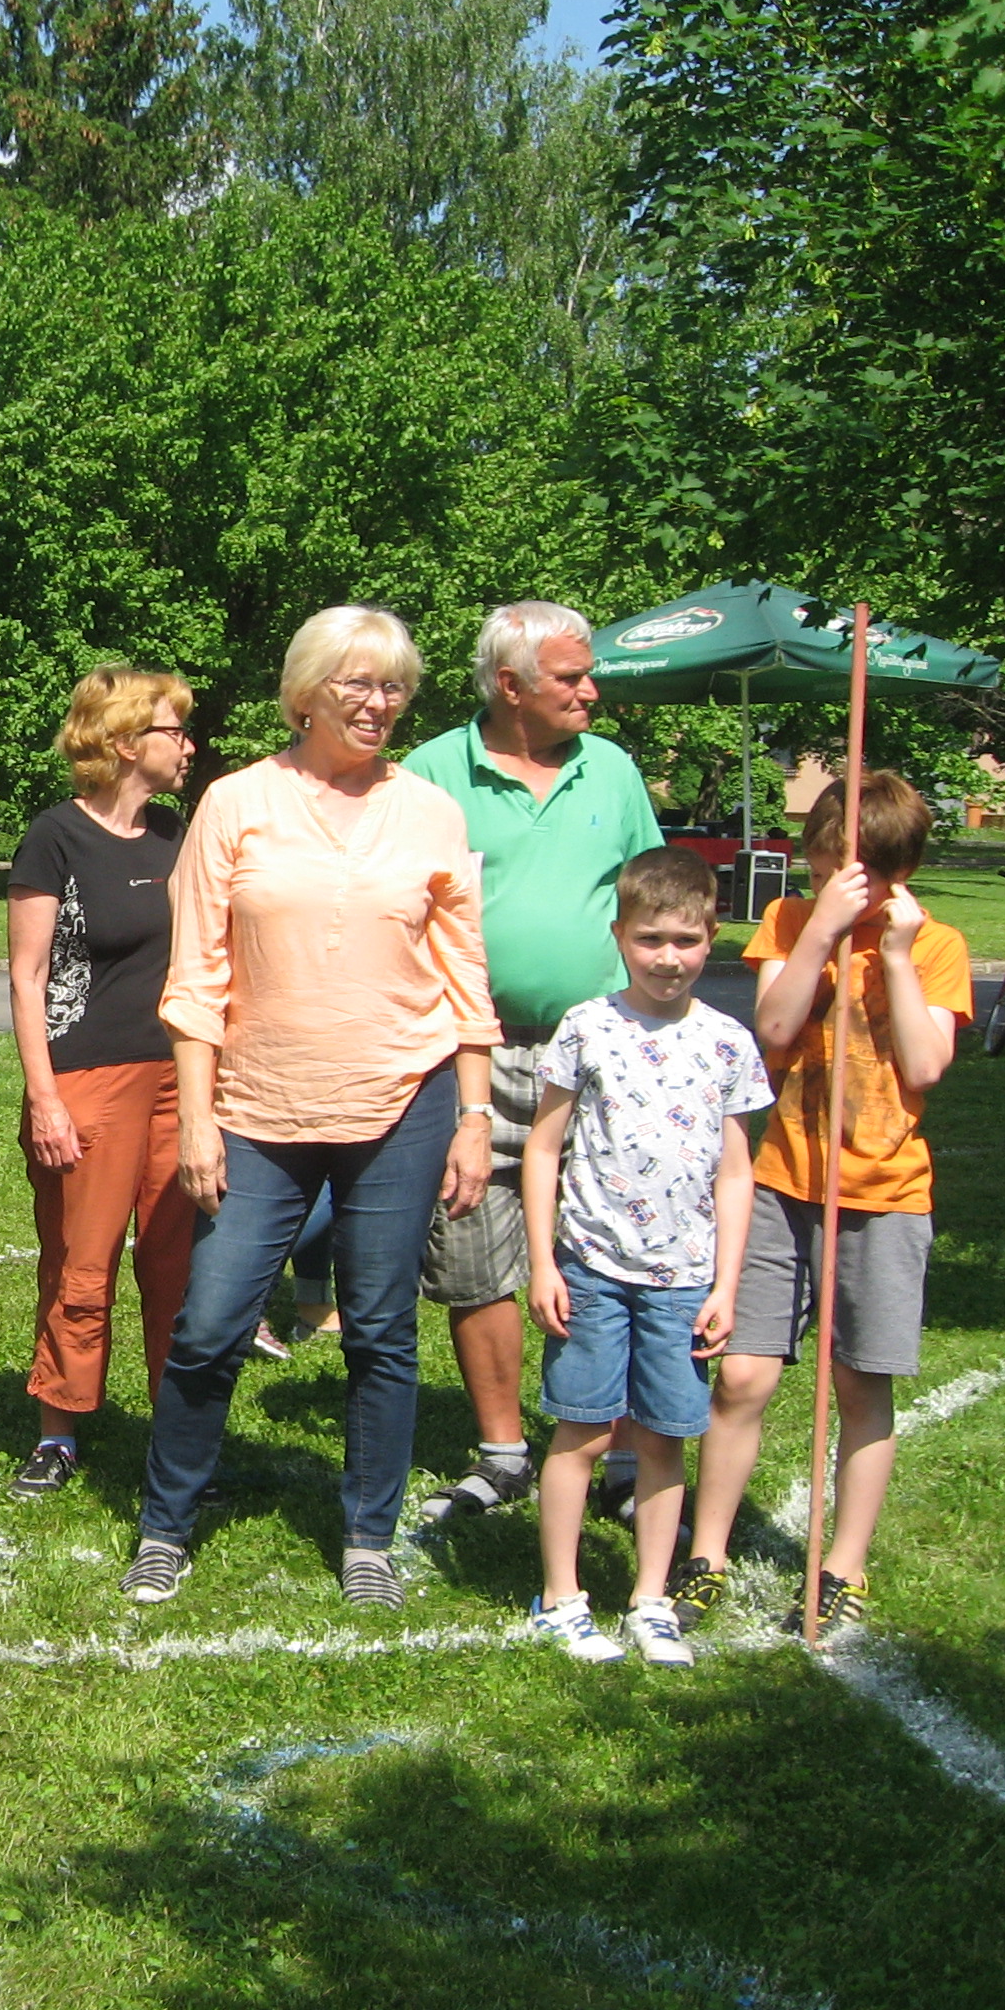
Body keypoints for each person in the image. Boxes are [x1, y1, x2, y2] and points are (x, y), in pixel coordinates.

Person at [127, 605, 496, 1612]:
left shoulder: (430, 813)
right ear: (304, 694)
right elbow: (195, 975)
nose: (379, 703)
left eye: (393, 686)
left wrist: (472, 1115)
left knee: (380, 1329)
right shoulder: (235, 803)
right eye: (357, 684)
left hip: (403, 1101)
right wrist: (196, 1118)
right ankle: (165, 1525)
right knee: (209, 1323)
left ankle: (368, 1536)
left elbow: (464, 971)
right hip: (255, 1108)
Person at [674, 771, 967, 1638]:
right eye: (820, 869)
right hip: (783, 1185)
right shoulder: (792, 920)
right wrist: (822, 931)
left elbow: (925, 1066)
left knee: (860, 1381)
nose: (829, 883)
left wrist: (897, 956)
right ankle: (707, 1552)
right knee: (743, 1375)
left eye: (850, 874)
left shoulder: (936, 944)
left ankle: (844, 1564)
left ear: (897, 872)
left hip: (886, 1196)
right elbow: (771, 1031)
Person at [401, 602, 667, 1524]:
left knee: (609, 1247)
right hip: (467, 1054)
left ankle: (619, 1455)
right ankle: (505, 1452)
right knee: (471, 1248)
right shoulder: (432, 772)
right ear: (510, 686)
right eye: (571, 677)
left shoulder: (613, 770)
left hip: (598, 1054)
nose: (591, 691)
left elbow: (653, 896)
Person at [520, 848, 771, 1667]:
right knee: (582, 1433)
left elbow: (736, 1173)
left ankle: (651, 1597)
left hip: (683, 1281)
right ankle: (561, 1596)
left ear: (713, 939)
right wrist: (544, 1262)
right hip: (591, 1270)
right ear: (620, 935)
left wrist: (725, 1284)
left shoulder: (728, 1043)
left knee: (664, 1438)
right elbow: (543, 1149)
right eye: (651, 939)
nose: (668, 958)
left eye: (686, 941)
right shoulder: (586, 1027)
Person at [3, 666, 195, 1497]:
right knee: (82, 1263)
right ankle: (59, 1429)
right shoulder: (56, 836)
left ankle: (178, 1434)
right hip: (85, 1075)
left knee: (178, 1263)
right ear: (123, 743)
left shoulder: (177, 833)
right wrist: (46, 1098)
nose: (188, 745)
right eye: (173, 731)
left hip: (178, 1078)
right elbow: (28, 977)